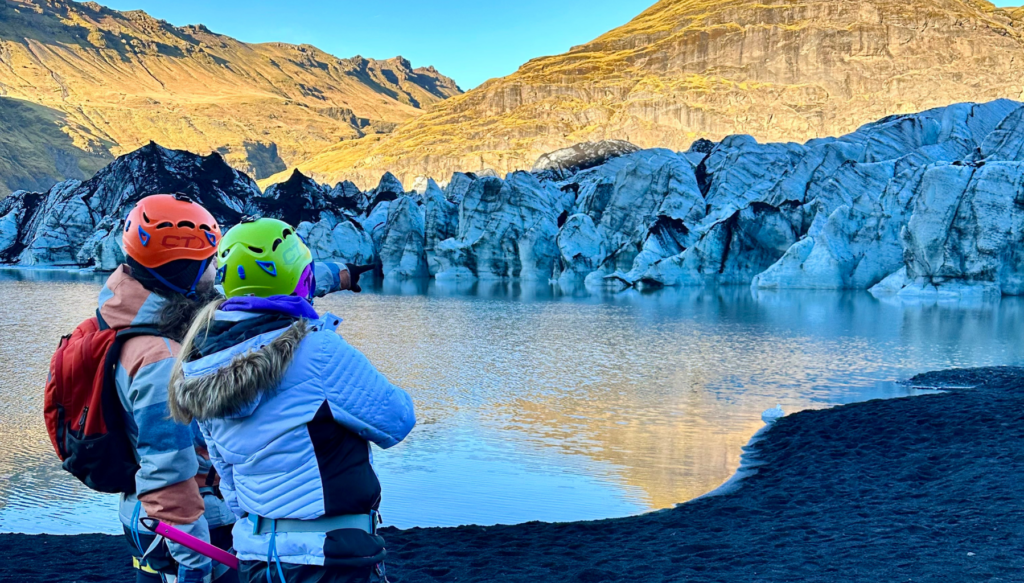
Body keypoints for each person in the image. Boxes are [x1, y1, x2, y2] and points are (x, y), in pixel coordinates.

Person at [168, 217, 415, 583]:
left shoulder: (199, 365)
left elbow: (227, 475)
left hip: (257, 556)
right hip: (330, 555)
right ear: (299, 276)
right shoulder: (316, 351)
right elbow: (397, 421)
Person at [101, 194, 237, 582]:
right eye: (210, 261)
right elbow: (168, 471)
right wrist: (196, 564)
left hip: (145, 517)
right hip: (190, 529)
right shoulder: (160, 361)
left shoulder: (127, 318)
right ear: (185, 271)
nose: (216, 269)